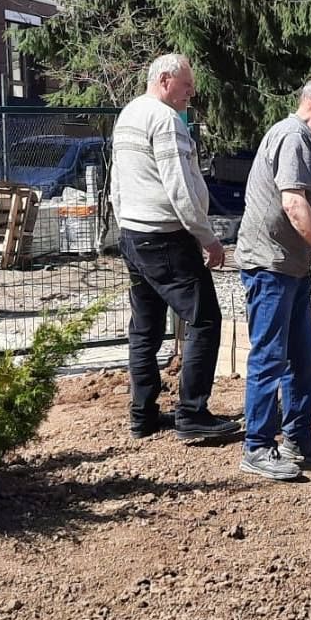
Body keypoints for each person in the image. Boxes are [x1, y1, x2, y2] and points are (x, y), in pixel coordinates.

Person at [110, 54, 240, 441]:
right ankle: (192, 414)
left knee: (145, 329)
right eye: (187, 86)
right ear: (165, 80)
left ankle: (142, 414)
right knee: (204, 319)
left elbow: (117, 180)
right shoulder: (167, 121)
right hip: (165, 237)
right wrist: (208, 238)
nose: (191, 94)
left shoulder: (129, 114)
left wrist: (124, 222)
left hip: (133, 235)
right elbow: (180, 185)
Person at [234, 74, 311, 480]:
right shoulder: (293, 137)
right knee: (269, 358)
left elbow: (309, 211)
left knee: (302, 357)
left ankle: (298, 437)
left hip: (291, 268)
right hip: (269, 267)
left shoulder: (307, 142)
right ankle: (257, 446)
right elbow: (294, 205)